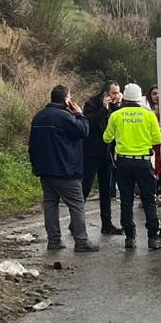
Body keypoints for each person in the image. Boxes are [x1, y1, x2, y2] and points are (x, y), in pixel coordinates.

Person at [29, 85, 99, 252]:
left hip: (45, 169)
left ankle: (54, 241)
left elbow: (32, 145)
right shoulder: (66, 117)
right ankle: (81, 241)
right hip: (65, 170)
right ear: (67, 100)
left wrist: (35, 166)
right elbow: (84, 131)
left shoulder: (38, 117)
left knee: (50, 204)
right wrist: (79, 114)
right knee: (76, 204)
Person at [104, 82, 161, 250]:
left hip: (123, 162)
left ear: (125, 97)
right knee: (149, 199)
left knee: (126, 200)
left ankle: (130, 237)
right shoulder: (149, 115)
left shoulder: (116, 115)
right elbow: (157, 140)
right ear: (139, 98)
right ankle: (153, 238)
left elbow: (107, 138)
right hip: (144, 162)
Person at [81, 82, 124, 235]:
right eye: (113, 93)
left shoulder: (116, 106)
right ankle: (77, 223)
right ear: (105, 94)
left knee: (106, 190)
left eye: (118, 93)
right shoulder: (91, 104)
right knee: (85, 187)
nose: (116, 96)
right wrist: (103, 109)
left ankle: (107, 224)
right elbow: (89, 124)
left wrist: (117, 106)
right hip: (91, 152)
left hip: (107, 153)